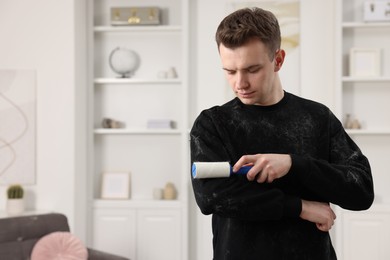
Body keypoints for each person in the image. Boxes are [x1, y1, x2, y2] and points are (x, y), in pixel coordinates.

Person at [190, 7, 374, 260]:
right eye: (230, 71)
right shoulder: (212, 123)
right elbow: (211, 197)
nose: (240, 83)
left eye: (252, 69)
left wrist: (293, 164)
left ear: (278, 60)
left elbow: (361, 191)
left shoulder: (318, 117)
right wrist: (300, 207)